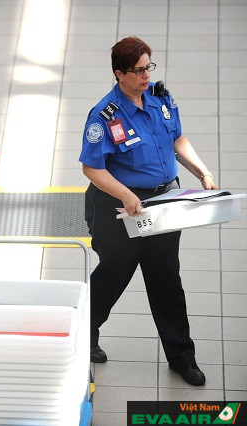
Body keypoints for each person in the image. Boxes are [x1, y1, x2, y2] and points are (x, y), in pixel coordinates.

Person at [79, 37, 218, 386]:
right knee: (114, 275)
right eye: (139, 70)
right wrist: (125, 194)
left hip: (161, 205)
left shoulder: (160, 98)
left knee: (167, 279)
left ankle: (182, 357)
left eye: (148, 67)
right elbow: (92, 168)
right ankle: (84, 335)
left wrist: (201, 171)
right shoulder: (104, 115)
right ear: (119, 73)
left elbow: (177, 139)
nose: (146, 76)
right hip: (117, 207)